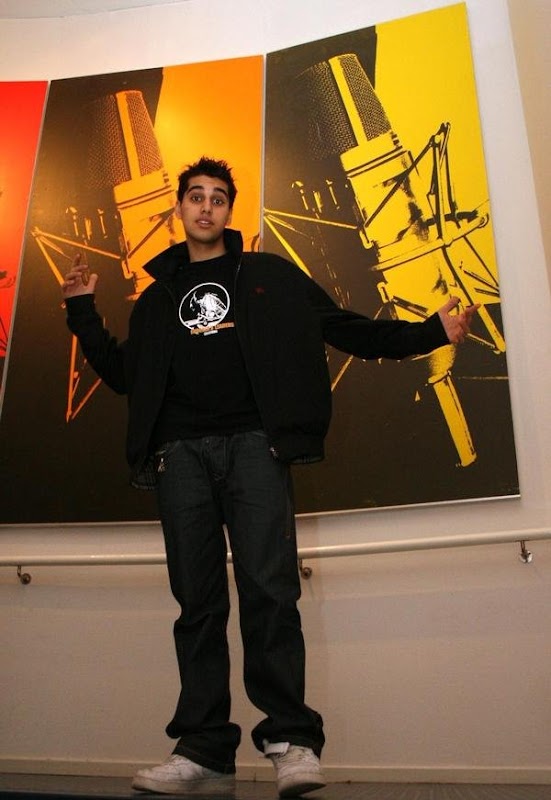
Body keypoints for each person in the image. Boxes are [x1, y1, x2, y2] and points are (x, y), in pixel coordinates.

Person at [61, 156, 478, 798]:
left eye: (217, 197)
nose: (206, 206)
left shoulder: (269, 277)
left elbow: (345, 329)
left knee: (270, 592)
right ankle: (202, 749)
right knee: (197, 604)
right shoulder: (159, 296)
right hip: (180, 456)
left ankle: (291, 742)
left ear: (230, 211)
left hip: (256, 447)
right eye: (195, 196)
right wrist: (82, 312)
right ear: (179, 208)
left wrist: (430, 332)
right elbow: (123, 376)